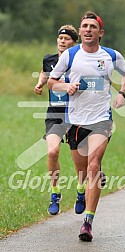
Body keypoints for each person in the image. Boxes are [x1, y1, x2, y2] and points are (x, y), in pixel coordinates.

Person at [47, 11, 125, 242]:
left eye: (92, 26)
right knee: (83, 171)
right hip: (75, 121)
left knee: (93, 165)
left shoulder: (112, 56)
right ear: (81, 30)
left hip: (101, 119)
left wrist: (122, 93)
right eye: (84, 26)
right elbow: (52, 82)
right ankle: (88, 185)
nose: (87, 29)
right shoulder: (70, 55)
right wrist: (67, 88)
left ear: (100, 32)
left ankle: (88, 222)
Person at [34, 25, 79, 215]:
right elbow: (45, 72)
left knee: (81, 159)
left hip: (78, 113)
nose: (62, 41)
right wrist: (40, 83)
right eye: (60, 38)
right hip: (55, 113)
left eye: (67, 39)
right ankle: (55, 192)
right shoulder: (49, 59)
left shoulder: (80, 60)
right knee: (52, 152)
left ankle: (82, 191)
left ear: (74, 43)